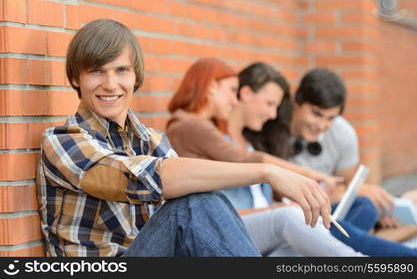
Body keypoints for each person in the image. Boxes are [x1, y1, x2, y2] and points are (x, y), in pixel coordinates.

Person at [36, 19, 332, 257]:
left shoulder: (153, 141)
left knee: (215, 207)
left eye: (121, 70)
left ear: (135, 76)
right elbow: (142, 178)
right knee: (194, 205)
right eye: (96, 71)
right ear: (76, 78)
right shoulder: (63, 141)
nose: (111, 84)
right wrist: (268, 172)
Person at [166, 58, 365, 256]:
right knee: (290, 219)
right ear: (211, 87)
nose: (234, 101)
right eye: (231, 91)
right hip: (215, 229)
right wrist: (303, 176)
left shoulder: (198, 127)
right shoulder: (190, 125)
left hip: (228, 225)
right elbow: (246, 159)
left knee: (302, 234)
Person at [240, 64, 417, 256]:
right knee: (333, 225)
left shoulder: (342, 133)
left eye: (330, 118)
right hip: (292, 210)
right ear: (296, 102)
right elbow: (275, 192)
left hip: (325, 211)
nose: (322, 125)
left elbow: (349, 187)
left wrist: (364, 195)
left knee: (366, 208)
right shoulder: (269, 125)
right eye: (316, 114)